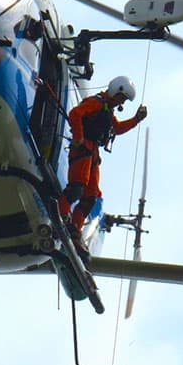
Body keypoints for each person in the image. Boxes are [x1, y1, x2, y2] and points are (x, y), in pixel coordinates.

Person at [58, 76, 148, 257]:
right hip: (84, 150)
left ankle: (75, 230)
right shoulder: (97, 103)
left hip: (93, 154)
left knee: (91, 197)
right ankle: (61, 217)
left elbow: (117, 128)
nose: (120, 102)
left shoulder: (107, 110)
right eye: (121, 98)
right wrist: (78, 137)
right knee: (76, 188)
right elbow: (75, 114)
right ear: (116, 90)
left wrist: (136, 120)